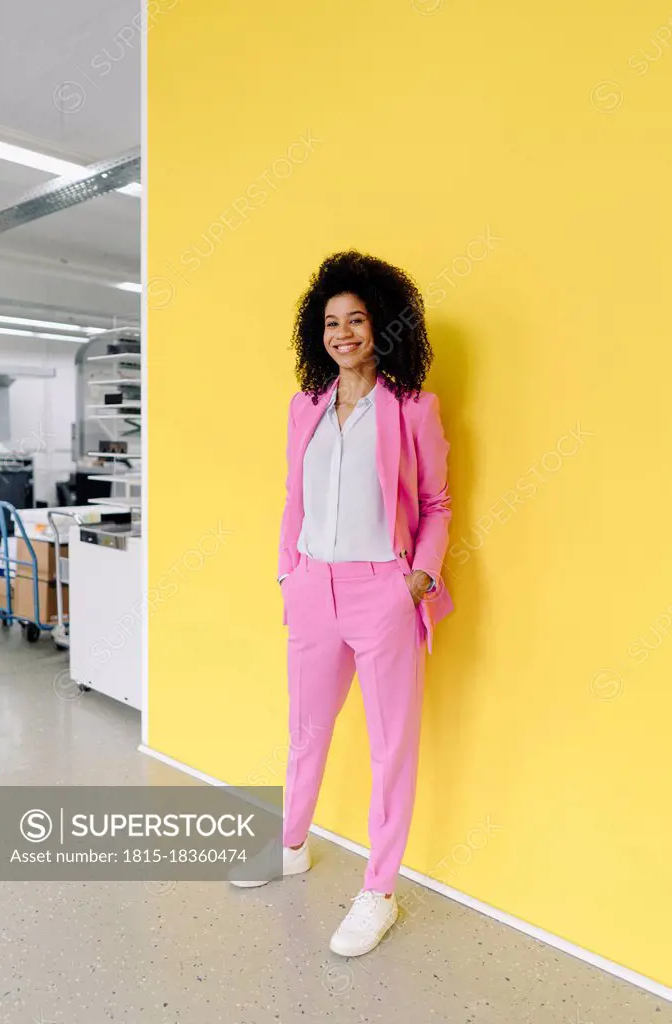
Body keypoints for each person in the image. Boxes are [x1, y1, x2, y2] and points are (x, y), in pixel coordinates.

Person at [232, 250, 453, 956]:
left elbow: (437, 503)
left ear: (381, 328)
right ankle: (292, 842)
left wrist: (417, 578)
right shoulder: (306, 407)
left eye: (357, 319)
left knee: (391, 746)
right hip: (312, 589)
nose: (344, 332)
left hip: (382, 590)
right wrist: (286, 572)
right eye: (332, 321)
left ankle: (379, 891)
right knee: (307, 729)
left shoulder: (414, 408)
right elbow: (292, 498)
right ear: (316, 333)